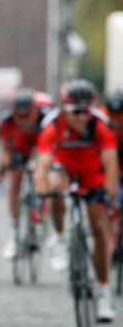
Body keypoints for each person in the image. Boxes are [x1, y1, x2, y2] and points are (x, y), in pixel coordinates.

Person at [34, 79, 119, 322]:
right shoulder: (53, 125)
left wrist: (109, 194)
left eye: (86, 112)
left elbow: (111, 164)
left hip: (92, 176)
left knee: (100, 228)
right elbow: (42, 163)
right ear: (64, 108)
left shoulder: (100, 126)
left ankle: (103, 290)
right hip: (64, 172)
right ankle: (60, 237)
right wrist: (42, 190)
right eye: (76, 113)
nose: (82, 118)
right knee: (55, 185)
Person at [0, 88, 53, 259]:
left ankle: (41, 207)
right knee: (15, 180)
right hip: (21, 147)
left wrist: (41, 166)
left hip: (42, 146)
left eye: (27, 116)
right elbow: (6, 148)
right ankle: (14, 230)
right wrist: (4, 166)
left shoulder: (47, 119)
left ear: (35, 111)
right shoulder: (7, 121)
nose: (24, 121)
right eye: (19, 117)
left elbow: (49, 149)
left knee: (42, 174)